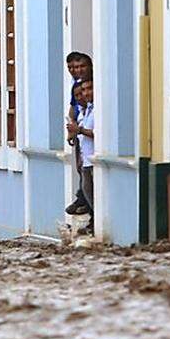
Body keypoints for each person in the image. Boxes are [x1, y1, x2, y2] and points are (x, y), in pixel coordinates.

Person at [64, 52, 92, 216]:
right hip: (79, 131)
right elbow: (72, 107)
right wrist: (71, 128)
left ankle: (83, 200)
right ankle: (82, 198)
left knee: (86, 171)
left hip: (85, 129)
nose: (77, 70)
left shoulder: (89, 85)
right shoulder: (76, 85)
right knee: (81, 168)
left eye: (81, 66)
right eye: (72, 67)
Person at [66, 79, 95, 233]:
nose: (85, 94)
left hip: (93, 160)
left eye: (89, 89)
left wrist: (79, 130)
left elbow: (98, 134)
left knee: (91, 194)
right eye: (82, 91)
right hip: (85, 159)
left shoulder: (96, 110)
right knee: (87, 191)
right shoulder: (86, 110)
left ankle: (94, 222)